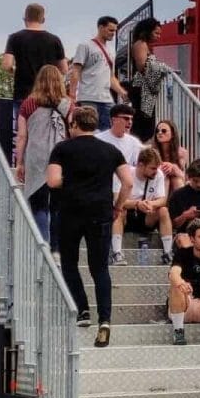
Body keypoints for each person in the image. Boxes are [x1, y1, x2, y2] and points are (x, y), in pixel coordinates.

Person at [45, 105, 132, 348]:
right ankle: (105, 320)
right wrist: (118, 206)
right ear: (95, 125)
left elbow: (52, 181)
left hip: (70, 213)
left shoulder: (62, 149)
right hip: (101, 213)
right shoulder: (110, 150)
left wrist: (70, 180)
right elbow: (127, 182)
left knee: (70, 263)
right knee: (99, 268)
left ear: (74, 125)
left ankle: (83, 311)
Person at [16, 65, 75, 241]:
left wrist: (20, 163)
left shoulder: (28, 103)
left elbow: (21, 136)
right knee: (57, 206)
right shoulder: (68, 105)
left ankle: (43, 244)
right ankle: (56, 250)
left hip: (36, 156)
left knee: (39, 205)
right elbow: (73, 131)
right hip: (60, 157)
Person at [0, 3, 65, 160]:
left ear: (25, 18)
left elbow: (7, 64)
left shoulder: (15, 38)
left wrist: (15, 71)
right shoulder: (54, 40)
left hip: (24, 92)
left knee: (21, 133)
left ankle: (19, 163)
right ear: (43, 18)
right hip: (51, 96)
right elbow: (63, 69)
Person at [67, 15, 125, 126]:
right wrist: (72, 95)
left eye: (115, 31)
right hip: (88, 97)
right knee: (88, 128)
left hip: (106, 98)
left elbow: (110, 76)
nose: (113, 33)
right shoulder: (85, 46)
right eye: (110, 30)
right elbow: (76, 71)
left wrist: (122, 92)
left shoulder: (111, 51)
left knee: (107, 131)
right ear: (101, 28)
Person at [115, 146, 173, 256]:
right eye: (152, 168)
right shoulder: (125, 174)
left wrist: (151, 204)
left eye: (157, 168)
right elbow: (116, 201)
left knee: (163, 210)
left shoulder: (158, 174)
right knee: (118, 211)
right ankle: (117, 253)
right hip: (127, 215)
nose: (156, 171)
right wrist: (137, 204)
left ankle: (168, 252)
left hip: (147, 214)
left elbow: (162, 200)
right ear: (141, 165)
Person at [121, 39, 174, 143]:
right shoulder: (140, 44)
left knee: (146, 124)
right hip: (141, 89)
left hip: (146, 92)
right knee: (143, 123)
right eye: (156, 33)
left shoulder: (145, 48)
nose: (158, 36)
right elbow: (143, 67)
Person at [151, 119, 190, 186]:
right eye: (157, 131)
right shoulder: (151, 150)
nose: (160, 133)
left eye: (164, 131)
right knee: (165, 178)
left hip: (174, 183)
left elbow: (182, 176)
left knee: (176, 179)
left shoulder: (182, 152)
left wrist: (174, 167)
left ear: (172, 134)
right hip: (155, 182)